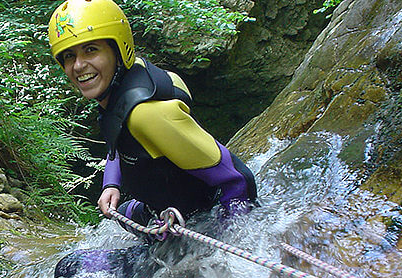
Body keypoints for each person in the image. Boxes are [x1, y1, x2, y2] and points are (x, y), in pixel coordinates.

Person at [48, 0, 259, 243]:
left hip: (198, 227)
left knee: (71, 268)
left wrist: (225, 247)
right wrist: (111, 184)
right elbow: (118, 142)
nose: (78, 65)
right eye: (68, 56)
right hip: (161, 214)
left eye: (91, 50)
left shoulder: (146, 113)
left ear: (118, 50)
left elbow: (237, 178)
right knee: (121, 213)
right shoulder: (115, 92)